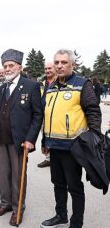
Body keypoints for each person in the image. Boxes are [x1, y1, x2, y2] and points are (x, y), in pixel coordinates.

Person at [40, 49, 102, 228]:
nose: (59, 66)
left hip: (74, 147)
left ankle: (76, 223)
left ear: (72, 65)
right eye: (57, 62)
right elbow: (47, 115)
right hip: (54, 146)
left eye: (64, 62)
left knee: (74, 186)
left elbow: (93, 111)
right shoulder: (50, 87)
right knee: (57, 184)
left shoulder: (82, 84)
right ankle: (61, 215)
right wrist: (45, 141)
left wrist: (94, 137)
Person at [0, 49, 43, 226]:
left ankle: (17, 207)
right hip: (0, 139)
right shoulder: (0, 89)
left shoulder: (31, 86)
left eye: (11, 65)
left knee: (17, 175)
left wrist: (31, 139)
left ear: (19, 67)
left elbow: (37, 115)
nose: (7, 69)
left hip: (19, 141)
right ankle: (5, 203)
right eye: (5, 66)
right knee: (2, 174)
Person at [37, 62, 57, 168]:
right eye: (46, 69)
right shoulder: (42, 83)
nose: (47, 70)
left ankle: (56, 159)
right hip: (43, 114)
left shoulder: (59, 81)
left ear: (54, 68)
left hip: (54, 114)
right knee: (45, 136)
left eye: (50, 68)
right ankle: (48, 158)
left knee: (54, 136)